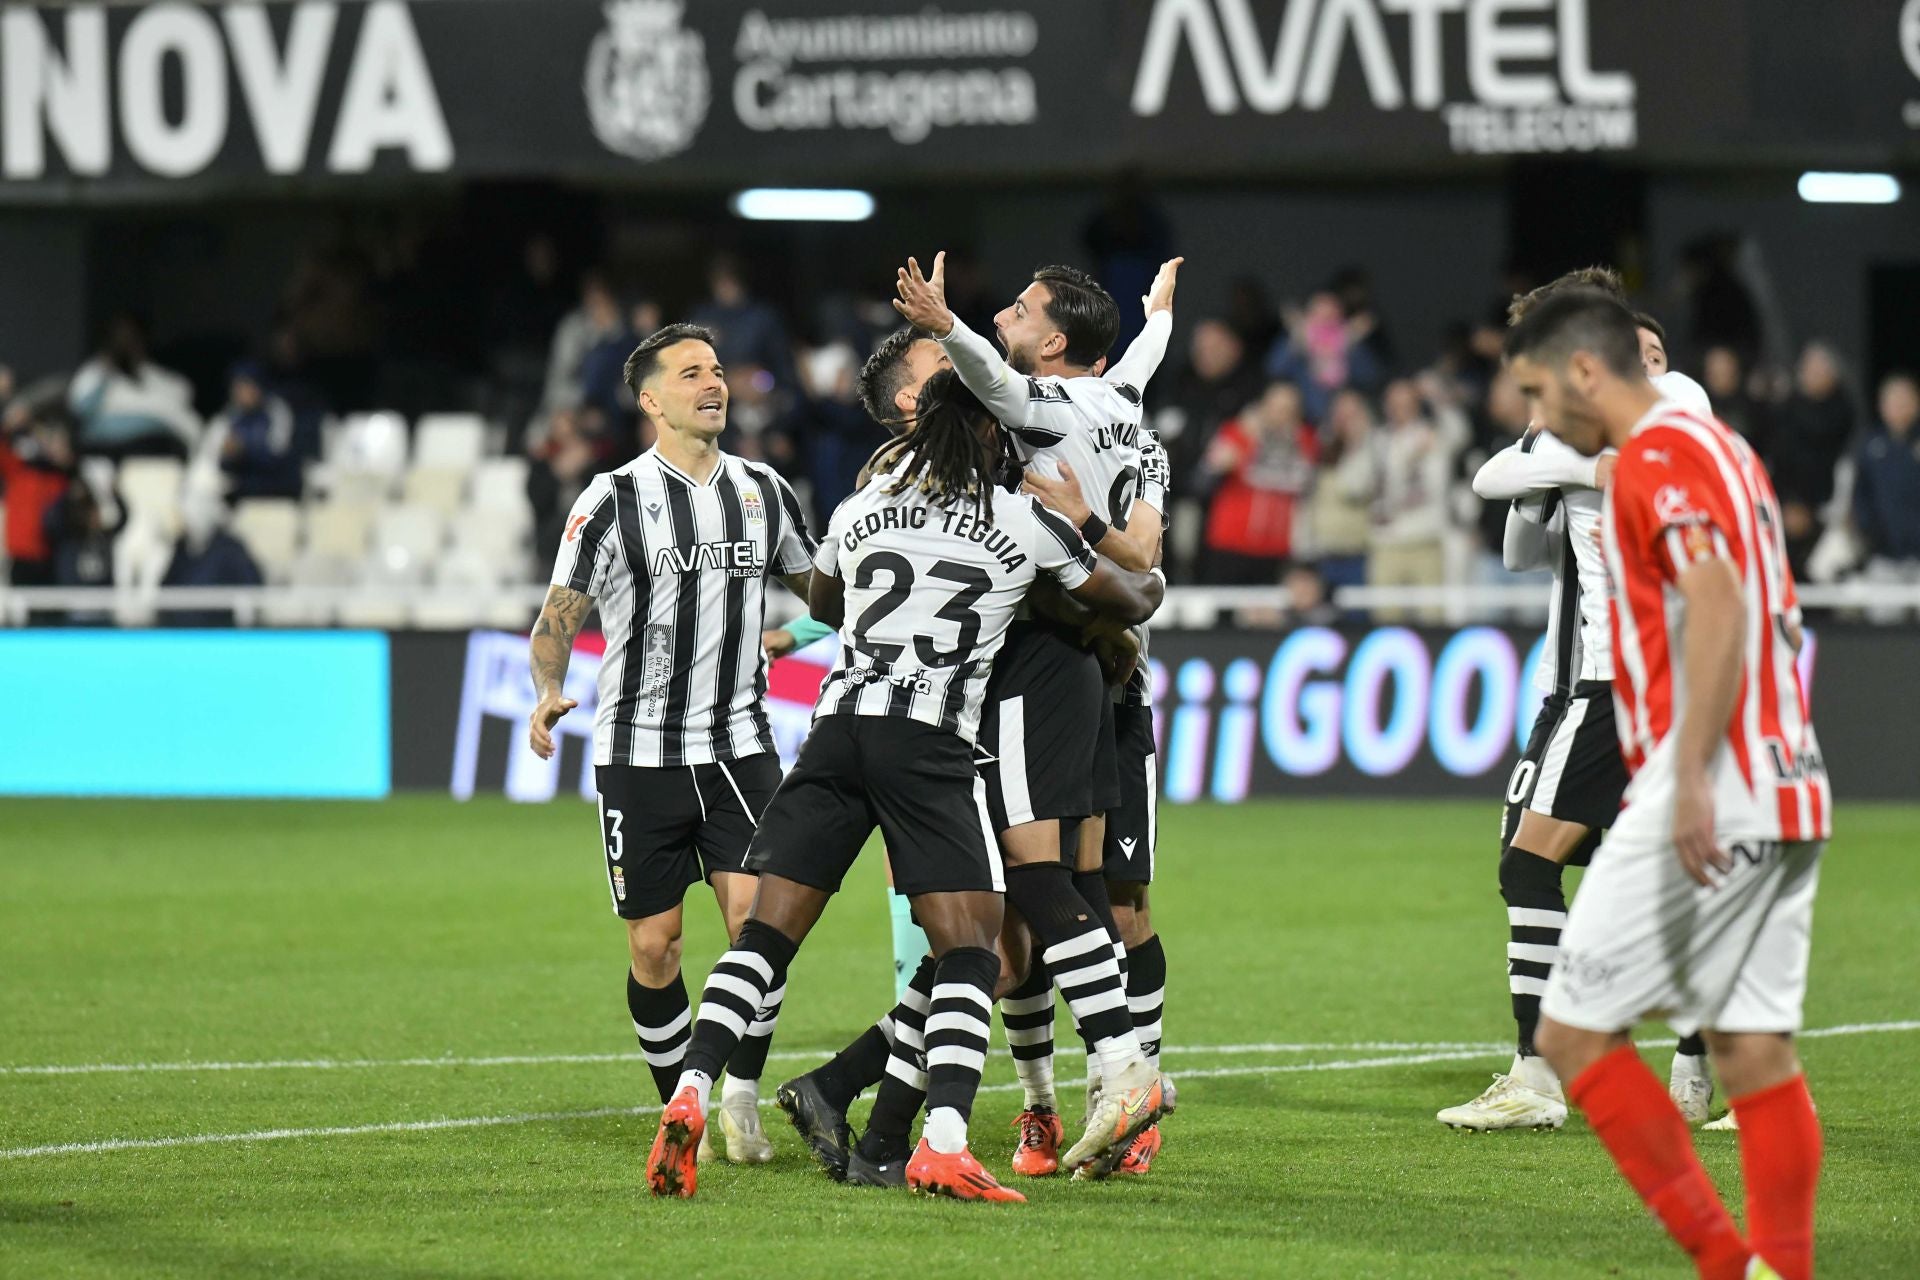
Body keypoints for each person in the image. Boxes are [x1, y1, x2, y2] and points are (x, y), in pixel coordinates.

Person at [643, 369, 1164, 1202]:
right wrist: (1112, 543)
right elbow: (1130, 596)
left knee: (763, 941)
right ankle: (946, 1139)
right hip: (928, 742)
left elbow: (826, 598)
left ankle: (692, 1090)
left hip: (835, 729)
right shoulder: (1019, 520)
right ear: (994, 435)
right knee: (972, 945)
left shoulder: (859, 509)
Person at [1509, 287, 1828, 1280]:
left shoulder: (1655, 457)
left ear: (1587, 372)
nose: (1536, 412)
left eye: (1540, 387)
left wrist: (1686, 774)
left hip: (1713, 783)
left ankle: (1725, 1262)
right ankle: (1780, 1264)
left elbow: (1717, 596)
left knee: (1570, 1031)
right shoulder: (1727, 447)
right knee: (1752, 1054)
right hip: (1788, 778)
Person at [893, 252, 1177, 1180]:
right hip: (1109, 669)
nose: (1004, 316)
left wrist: (943, 324)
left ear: (1054, 343)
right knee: (1074, 886)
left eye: (1020, 309)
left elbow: (992, 378)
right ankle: (1076, 1108)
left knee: (1052, 883)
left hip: (1052, 659)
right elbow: (1149, 553)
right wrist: (1159, 318)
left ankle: (1120, 1079)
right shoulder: (1130, 414)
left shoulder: (1048, 409)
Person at [525, 323, 816, 1169]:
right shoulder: (611, 500)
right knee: (656, 949)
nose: (714, 383)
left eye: (718, 370)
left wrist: (803, 631)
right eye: (692, 374)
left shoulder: (762, 490)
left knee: (759, 929)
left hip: (740, 749)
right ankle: (677, 1108)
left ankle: (741, 1096)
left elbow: (831, 585)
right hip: (636, 754)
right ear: (651, 400)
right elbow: (557, 620)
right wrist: (548, 691)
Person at [1445, 268, 1719, 1134]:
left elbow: (1493, 475)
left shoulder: (1667, 396)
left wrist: (1555, 449)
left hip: (1616, 679)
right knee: (1620, 872)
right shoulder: (1589, 425)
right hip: (1588, 681)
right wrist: (1555, 460)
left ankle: (1541, 1071)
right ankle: (1700, 1056)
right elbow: (1523, 538)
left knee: (1529, 863)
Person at [1198, 379, 1318, 585]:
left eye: (1288, 410)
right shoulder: (1237, 431)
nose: (1281, 416)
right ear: (1263, 407)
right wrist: (1249, 441)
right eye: (1276, 408)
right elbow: (1209, 468)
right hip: (1231, 540)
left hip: (1276, 545)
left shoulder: (1305, 440)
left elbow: (1302, 480)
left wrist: (1253, 450)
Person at [67, 312, 200, 460]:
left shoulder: (156, 376)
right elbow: (82, 409)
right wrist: (105, 374)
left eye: (132, 338)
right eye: (120, 337)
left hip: (153, 450)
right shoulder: (94, 372)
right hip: (102, 450)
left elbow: (181, 400)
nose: (126, 342)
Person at [1851, 373, 1920, 618]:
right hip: (1885, 556)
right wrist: (1871, 534)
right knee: (1882, 623)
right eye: (1893, 401)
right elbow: (1860, 496)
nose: (1899, 408)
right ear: (1882, 406)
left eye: (1905, 401)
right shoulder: (1870, 446)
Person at [160, 481, 264, 627]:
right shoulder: (179, 548)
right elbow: (164, 595)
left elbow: (252, 589)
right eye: (189, 505)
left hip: (219, 634)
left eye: (201, 504)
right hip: (180, 636)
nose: (193, 513)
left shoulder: (231, 549)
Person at [1, 393, 75, 588]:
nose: (51, 445)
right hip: (23, 558)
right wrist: (10, 424)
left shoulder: (64, 481)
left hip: (58, 558)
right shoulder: (19, 472)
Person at [200, 363, 301, 500]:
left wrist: (245, 450)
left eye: (247, 386)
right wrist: (229, 456)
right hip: (240, 492)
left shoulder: (277, 410)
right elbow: (213, 459)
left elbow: (279, 455)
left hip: (276, 489)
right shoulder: (228, 417)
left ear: (258, 386)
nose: (242, 392)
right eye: (237, 387)